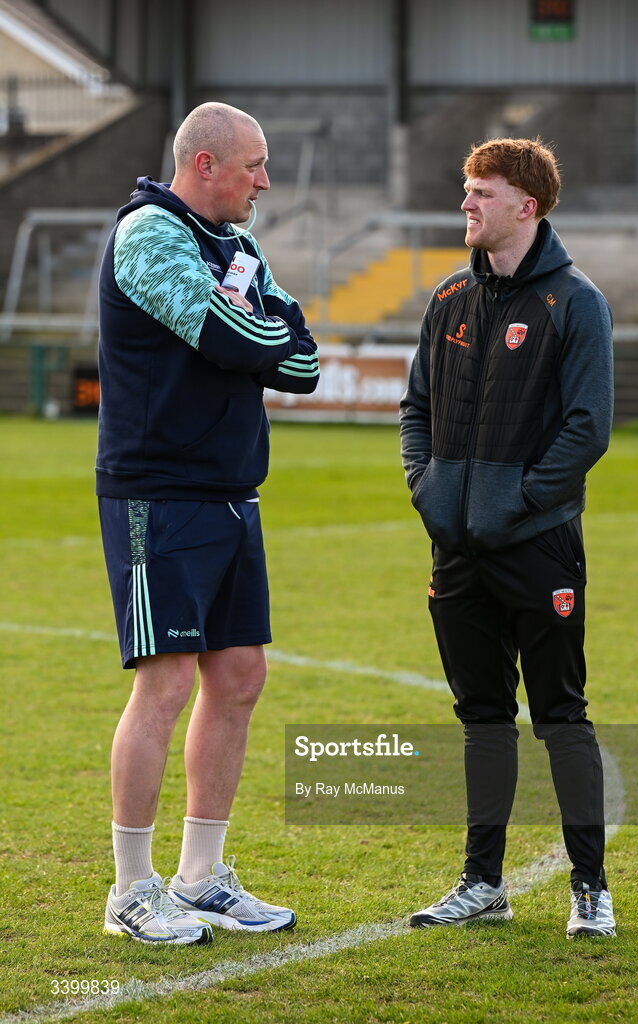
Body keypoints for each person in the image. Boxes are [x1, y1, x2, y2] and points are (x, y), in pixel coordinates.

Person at [96, 102, 319, 944]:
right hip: (158, 491)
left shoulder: (240, 244)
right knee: (166, 684)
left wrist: (250, 335)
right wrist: (250, 334)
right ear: (205, 165)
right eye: (255, 164)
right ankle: (130, 889)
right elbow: (226, 330)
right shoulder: (151, 231)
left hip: (231, 488)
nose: (265, 181)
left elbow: (300, 358)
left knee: (239, 678)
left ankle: (200, 878)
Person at [400, 137, 616, 938]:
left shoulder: (575, 302)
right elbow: (414, 407)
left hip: (539, 545)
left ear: (526, 206)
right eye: (465, 189)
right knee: (482, 717)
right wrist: (426, 488)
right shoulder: (450, 296)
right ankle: (482, 883)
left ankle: (590, 887)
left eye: (481, 192)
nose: (466, 204)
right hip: (456, 549)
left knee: (562, 714)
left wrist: (518, 503)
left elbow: (588, 428)